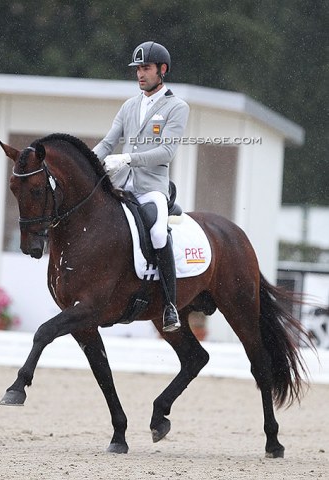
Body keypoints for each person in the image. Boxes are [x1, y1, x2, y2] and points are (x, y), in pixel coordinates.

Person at [93, 41, 190, 332]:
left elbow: (166, 152)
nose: (140, 74)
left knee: (159, 232)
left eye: (146, 68)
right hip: (122, 187)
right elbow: (109, 142)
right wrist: (88, 161)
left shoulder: (176, 107)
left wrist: (128, 158)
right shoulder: (129, 105)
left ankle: (170, 306)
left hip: (151, 188)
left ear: (162, 70)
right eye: (137, 69)